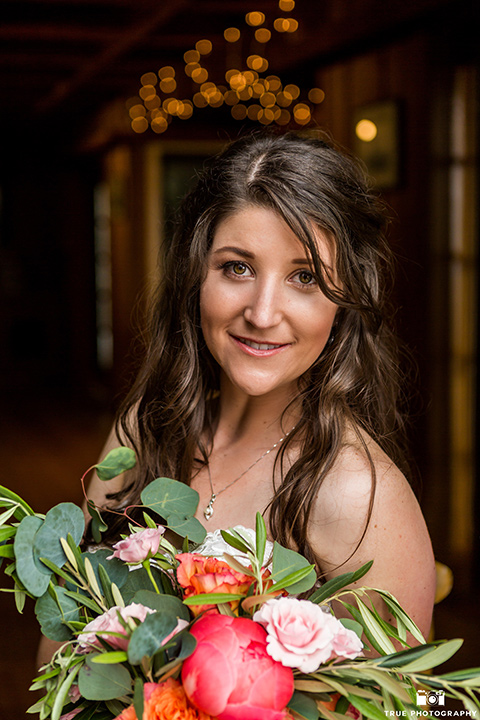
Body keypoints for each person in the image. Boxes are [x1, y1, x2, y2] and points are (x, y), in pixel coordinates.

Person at [84, 132, 436, 643]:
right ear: (194, 277)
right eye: (237, 268)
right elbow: (61, 652)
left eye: (306, 277)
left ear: (345, 302)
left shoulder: (359, 494)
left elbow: (409, 704)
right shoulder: (144, 427)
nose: (262, 313)